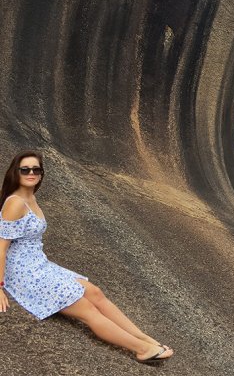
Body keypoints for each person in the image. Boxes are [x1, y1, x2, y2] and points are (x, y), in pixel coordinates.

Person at [0, 151, 173, 364]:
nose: (31, 173)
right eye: (25, 169)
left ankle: (145, 338)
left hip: (40, 264)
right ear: (15, 172)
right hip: (24, 273)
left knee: (96, 292)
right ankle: (141, 349)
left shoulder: (31, 197)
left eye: (36, 169)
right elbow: (1, 248)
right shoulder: (15, 203)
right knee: (87, 309)